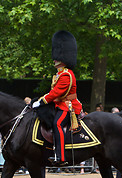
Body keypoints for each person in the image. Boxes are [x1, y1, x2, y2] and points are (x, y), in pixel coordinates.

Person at [32, 30, 82, 166]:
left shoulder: (66, 75)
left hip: (68, 105)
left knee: (57, 124)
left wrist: (41, 101)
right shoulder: (59, 74)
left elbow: (56, 92)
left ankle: (61, 157)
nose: (54, 59)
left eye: (57, 57)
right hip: (60, 104)